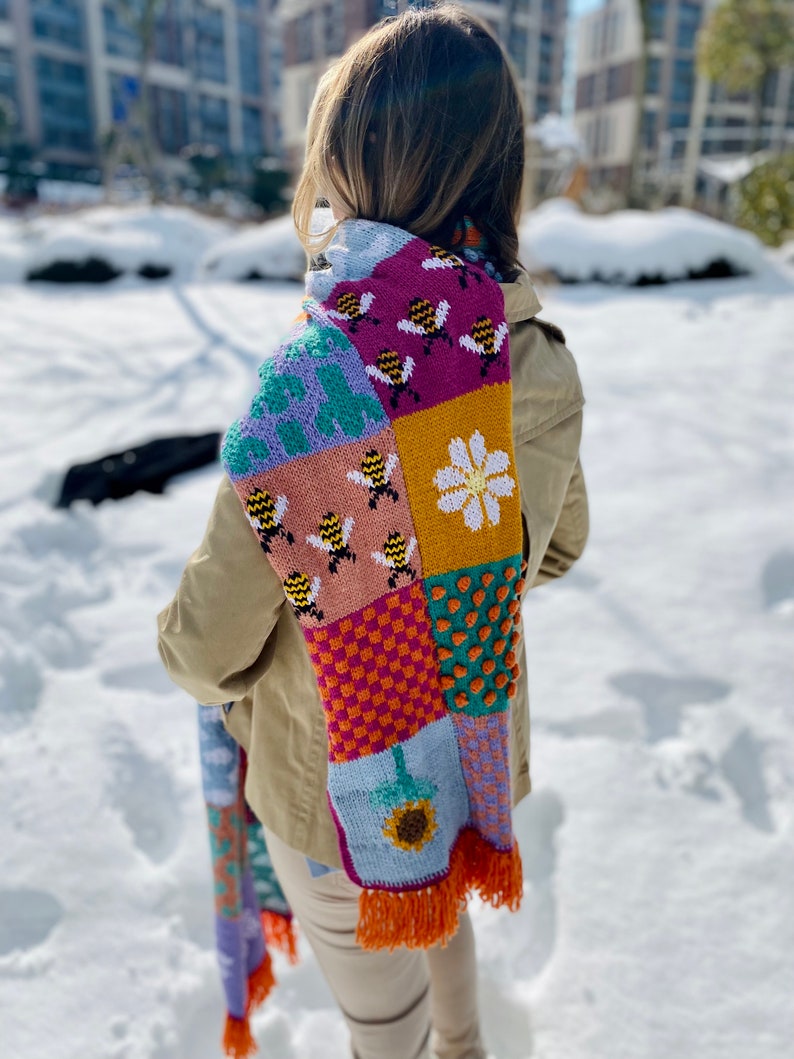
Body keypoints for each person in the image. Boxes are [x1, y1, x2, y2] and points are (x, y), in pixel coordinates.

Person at [158, 5, 588, 1059]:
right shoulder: (529, 355)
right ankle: (465, 1044)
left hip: (337, 787)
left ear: (342, 163)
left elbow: (205, 647)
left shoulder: (312, 392)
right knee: (436, 921)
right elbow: (560, 545)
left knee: (375, 1013)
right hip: (470, 748)